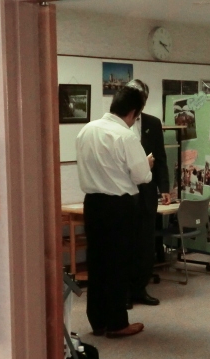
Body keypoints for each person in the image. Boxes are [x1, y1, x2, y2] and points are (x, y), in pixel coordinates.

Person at [76, 86, 153, 338]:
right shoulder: (125, 136)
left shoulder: (87, 130)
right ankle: (117, 323)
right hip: (119, 206)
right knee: (119, 264)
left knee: (97, 262)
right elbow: (141, 176)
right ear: (133, 112)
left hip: (93, 204)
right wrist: (147, 164)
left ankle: (98, 321)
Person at [125, 79, 170, 308]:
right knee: (126, 243)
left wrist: (165, 188)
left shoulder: (152, 122)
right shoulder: (117, 124)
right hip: (125, 191)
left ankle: (140, 288)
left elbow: (160, 157)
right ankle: (124, 292)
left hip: (147, 191)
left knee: (145, 243)